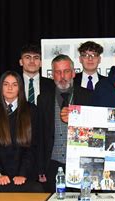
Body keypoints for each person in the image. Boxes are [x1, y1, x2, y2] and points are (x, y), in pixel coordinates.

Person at [0, 71, 43, 192]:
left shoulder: (31, 111)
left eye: (14, 84)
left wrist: (23, 174)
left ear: (20, 88)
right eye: (6, 84)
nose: (10, 88)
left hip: (25, 175)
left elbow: (33, 147)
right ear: (0, 87)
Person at [37, 54, 81, 192]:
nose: (62, 76)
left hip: (80, 164)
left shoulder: (88, 96)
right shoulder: (43, 99)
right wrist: (40, 167)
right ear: (52, 75)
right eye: (58, 72)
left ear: (73, 73)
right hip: (53, 165)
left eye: (66, 71)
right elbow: (40, 135)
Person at [73, 41, 106, 105]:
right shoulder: (71, 82)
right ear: (80, 59)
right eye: (85, 55)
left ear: (99, 59)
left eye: (94, 55)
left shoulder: (108, 83)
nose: (90, 58)